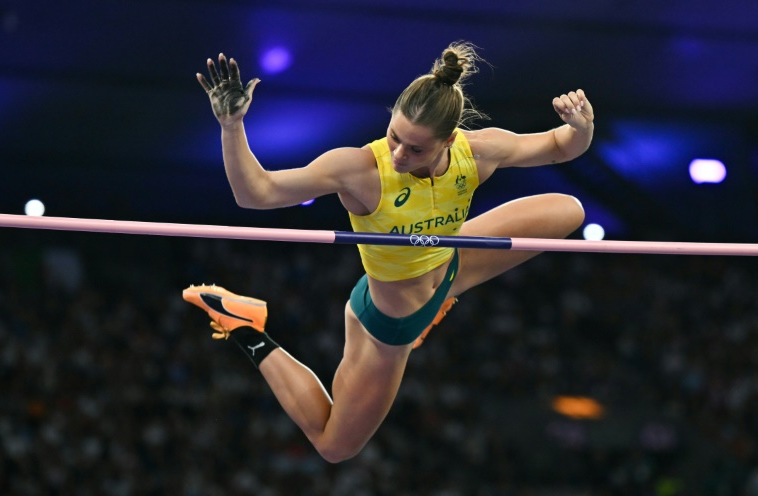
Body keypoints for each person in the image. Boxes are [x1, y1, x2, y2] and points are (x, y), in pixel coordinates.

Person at [183, 42, 593, 463]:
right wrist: (231, 126)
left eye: (415, 149)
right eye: (394, 137)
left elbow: (561, 146)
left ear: (449, 140)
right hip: (390, 322)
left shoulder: (477, 151)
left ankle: (442, 295)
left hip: (451, 266)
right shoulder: (359, 170)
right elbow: (256, 194)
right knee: (335, 446)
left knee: (569, 211)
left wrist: (581, 128)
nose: (398, 154)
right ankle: (247, 327)